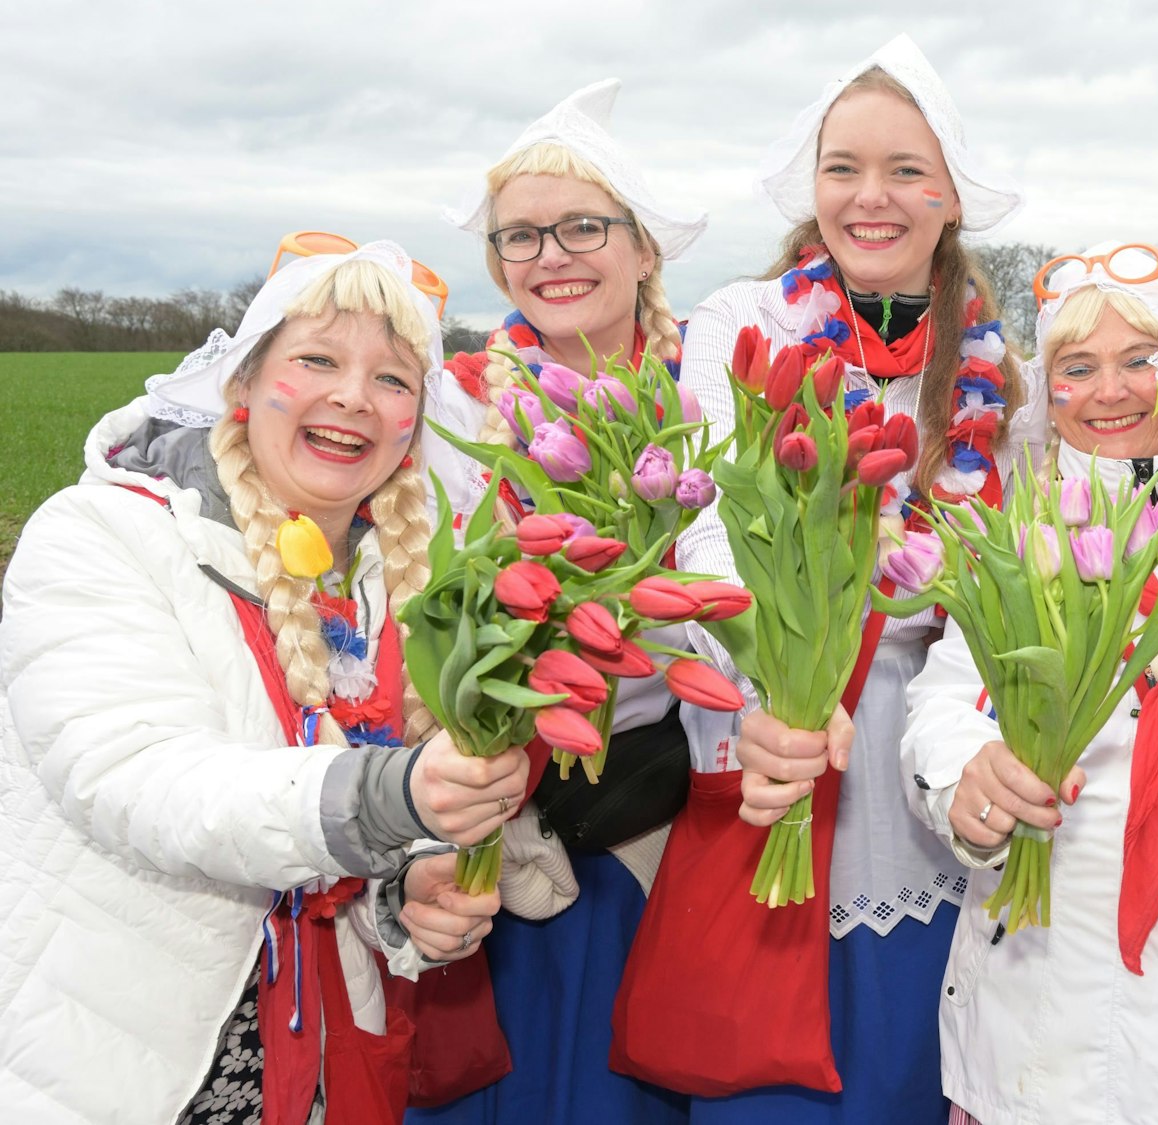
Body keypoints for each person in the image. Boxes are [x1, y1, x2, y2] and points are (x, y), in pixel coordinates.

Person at [0, 239, 526, 1124]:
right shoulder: (102, 533)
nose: (354, 396)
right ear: (241, 384)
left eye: (394, 379)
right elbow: (135, 776)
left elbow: (351, 837)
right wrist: (398, 793)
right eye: (317, 359)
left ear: (414, 424)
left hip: (312, 1062)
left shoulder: (388, 587)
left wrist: (409, 902)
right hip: (113, 1059)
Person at [672, 33, 1026, 1123]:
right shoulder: (747, 321)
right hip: (779, 736)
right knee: (767, 1065)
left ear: (952, 197)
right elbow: (708, 530)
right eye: (844, 169)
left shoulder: (999, 363)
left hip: (933, 758)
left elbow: (1013, 567)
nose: (871, 198)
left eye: (906, 171)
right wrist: (772, 680)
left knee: (907, 1063)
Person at [901, 242, 1158, 1124]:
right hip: (1044, 998)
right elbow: (942, 695)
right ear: (1050, 390)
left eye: (1139, 361)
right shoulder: (1018, 534)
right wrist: (964, 776)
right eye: (1079, 367)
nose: (1110, 390)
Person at [413, 78, 710, 1125]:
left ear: (642, 252)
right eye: (520, 238)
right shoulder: (454, 410)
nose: (551, 256)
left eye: (582, 226)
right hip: (482, 826)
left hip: (643, 831)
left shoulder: (697, 417)